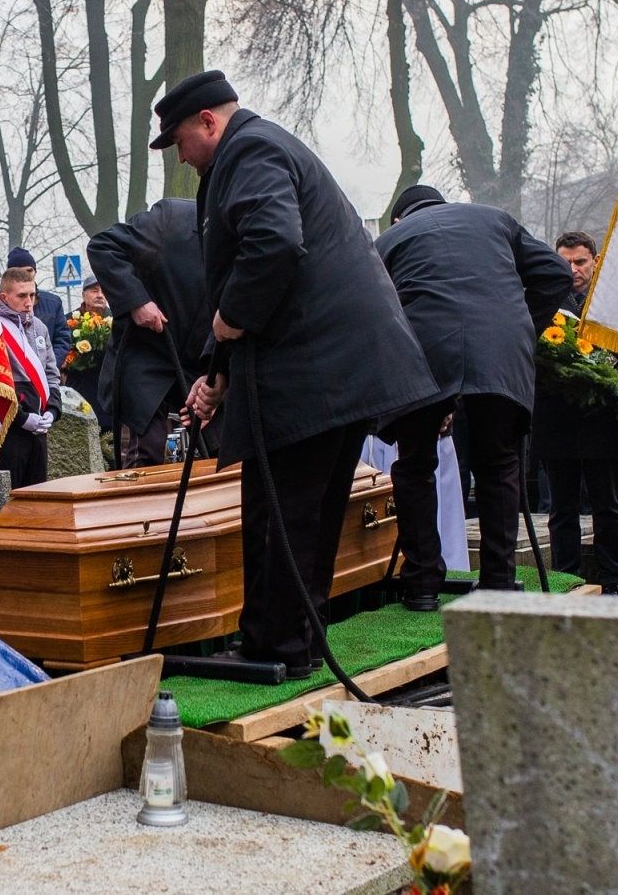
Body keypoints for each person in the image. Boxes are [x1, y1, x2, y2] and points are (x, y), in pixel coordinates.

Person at [170, 70, 438, 678]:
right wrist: (217, 376)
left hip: (315, 369)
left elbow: (272, 243)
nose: (182, 157)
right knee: (310, 509)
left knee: (280, 509)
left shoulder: (251, 150)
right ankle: (301, 639)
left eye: (181, 139)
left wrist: (229, 318)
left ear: (209, 122)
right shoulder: (265, 147)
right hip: (342, 365)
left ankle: (274, 645)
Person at [376, 187, 572, 607]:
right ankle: (498, 582)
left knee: (414, 464)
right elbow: (556, 273)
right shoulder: (494, 219)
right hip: (499, 346)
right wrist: (521, 324)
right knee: (498, 463)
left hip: (424, 349)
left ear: (399, 218)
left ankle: (422, 583)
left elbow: (369, 307)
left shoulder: (389, 240)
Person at [531, 230, 618, 594]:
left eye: (580, 261)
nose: (573, 269)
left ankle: (614, 580)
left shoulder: (614, 301)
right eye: (565, 261)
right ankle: (566, 578)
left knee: (607, 505)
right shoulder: (544, 299)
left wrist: (609, 380)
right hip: (557, 418)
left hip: (601, 418)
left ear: (595, 262)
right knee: (561, 509)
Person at [88, 197, 212, 467]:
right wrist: (137, 302)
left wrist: (218, 386)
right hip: (146, 360)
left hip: (202, 366)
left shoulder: (246, 237)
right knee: (145, 456)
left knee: (216, 454)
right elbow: (103, 247)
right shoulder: (171, 218)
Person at [0, 267, 62, 488]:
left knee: (38, 491)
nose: (29, 302)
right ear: (4, 297)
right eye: (22, 296)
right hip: (8, 427)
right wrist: (21, 418)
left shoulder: (39, 327)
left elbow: (51, 372)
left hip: (39, 423)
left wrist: (53, 409)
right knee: (11, 493)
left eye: (32, 295)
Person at [62, 273, 113, 436]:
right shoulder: (68, 321)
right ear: (83, 294)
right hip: (80, 391)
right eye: (94, 291)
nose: (100, 295)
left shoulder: (116, 320)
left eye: (104, 291)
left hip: (108, 392)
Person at [5, 247, 73, 364]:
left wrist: (49, 368)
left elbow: (62, 339)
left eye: (29, 271)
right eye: (19, 272)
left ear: (35, 271)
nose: (25, 276)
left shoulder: (53, 303)